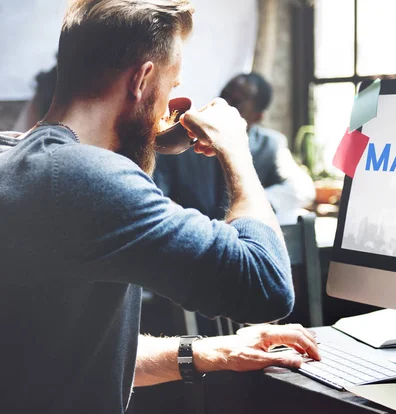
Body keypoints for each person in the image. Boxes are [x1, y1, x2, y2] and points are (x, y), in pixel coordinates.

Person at [0, 1, 319, 413]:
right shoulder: (85, 177)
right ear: (142, 79)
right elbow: (267, 286)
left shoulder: (17, 157)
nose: (169, 104)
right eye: (171, 87)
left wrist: (214, 351)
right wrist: (236, 151)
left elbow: (64, 355)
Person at [154, 72, 315, 223]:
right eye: (223, 95)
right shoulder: (181, 140)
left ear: (257, 116)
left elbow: (302, 188)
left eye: (236, 102)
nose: (224, 104)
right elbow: (156, 195)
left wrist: (252, 205)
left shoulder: (270, 145)